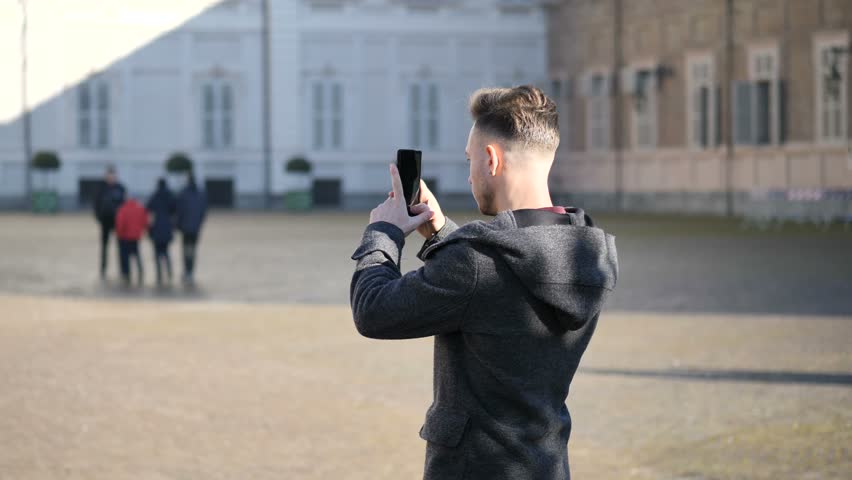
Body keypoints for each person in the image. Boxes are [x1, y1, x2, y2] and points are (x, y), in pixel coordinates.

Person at [350, 86, 619, 479]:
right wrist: (443, 234)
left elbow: (373, 312)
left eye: (470, 160)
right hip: (545, 466)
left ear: (491, 159)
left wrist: (384, 232)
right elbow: (505, 280)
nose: (470, 174)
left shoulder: (477, 262)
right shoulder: (588, 252)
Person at [93, 165, 126, 278]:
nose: (111, 178)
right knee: (104, 246)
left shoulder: (120, 188)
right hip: (105, 221)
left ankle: (122, 269)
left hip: (118, 221)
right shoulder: (101, 188)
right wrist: (98, 217)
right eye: (110, 176)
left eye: (113, 176)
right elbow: (96, 203)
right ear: (106, 176)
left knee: (121, 246)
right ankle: (103, 269)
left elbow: (124, 204)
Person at [175, 174, 207, 284]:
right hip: (196, 228)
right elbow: (204, 211)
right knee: (193, 250)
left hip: (185, 227)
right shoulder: (201, 194)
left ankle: (187, 271)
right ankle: (190, 271)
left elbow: (179, 211)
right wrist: (199, 223)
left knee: (186, 250)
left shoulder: (183, 193)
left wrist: (178, 225)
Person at [146, 178, 177, 285]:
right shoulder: (170, 196)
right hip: (167, 228)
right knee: (166, 252)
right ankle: (169, 273)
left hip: (156, 228)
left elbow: (147, 209)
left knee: (157, 253)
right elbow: (175, 209)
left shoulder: (154, 196)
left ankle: (159, 274)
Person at [115, 197, 148, 285]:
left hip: (125, 237)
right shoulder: (140, 208)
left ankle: (126, 273)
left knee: (125, 257)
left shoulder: (123, 209)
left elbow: (120, 223)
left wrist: (119, 234)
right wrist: (141, 230)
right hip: (136, 237)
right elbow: (144, 221)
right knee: (136, 254)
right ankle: (140, 269)